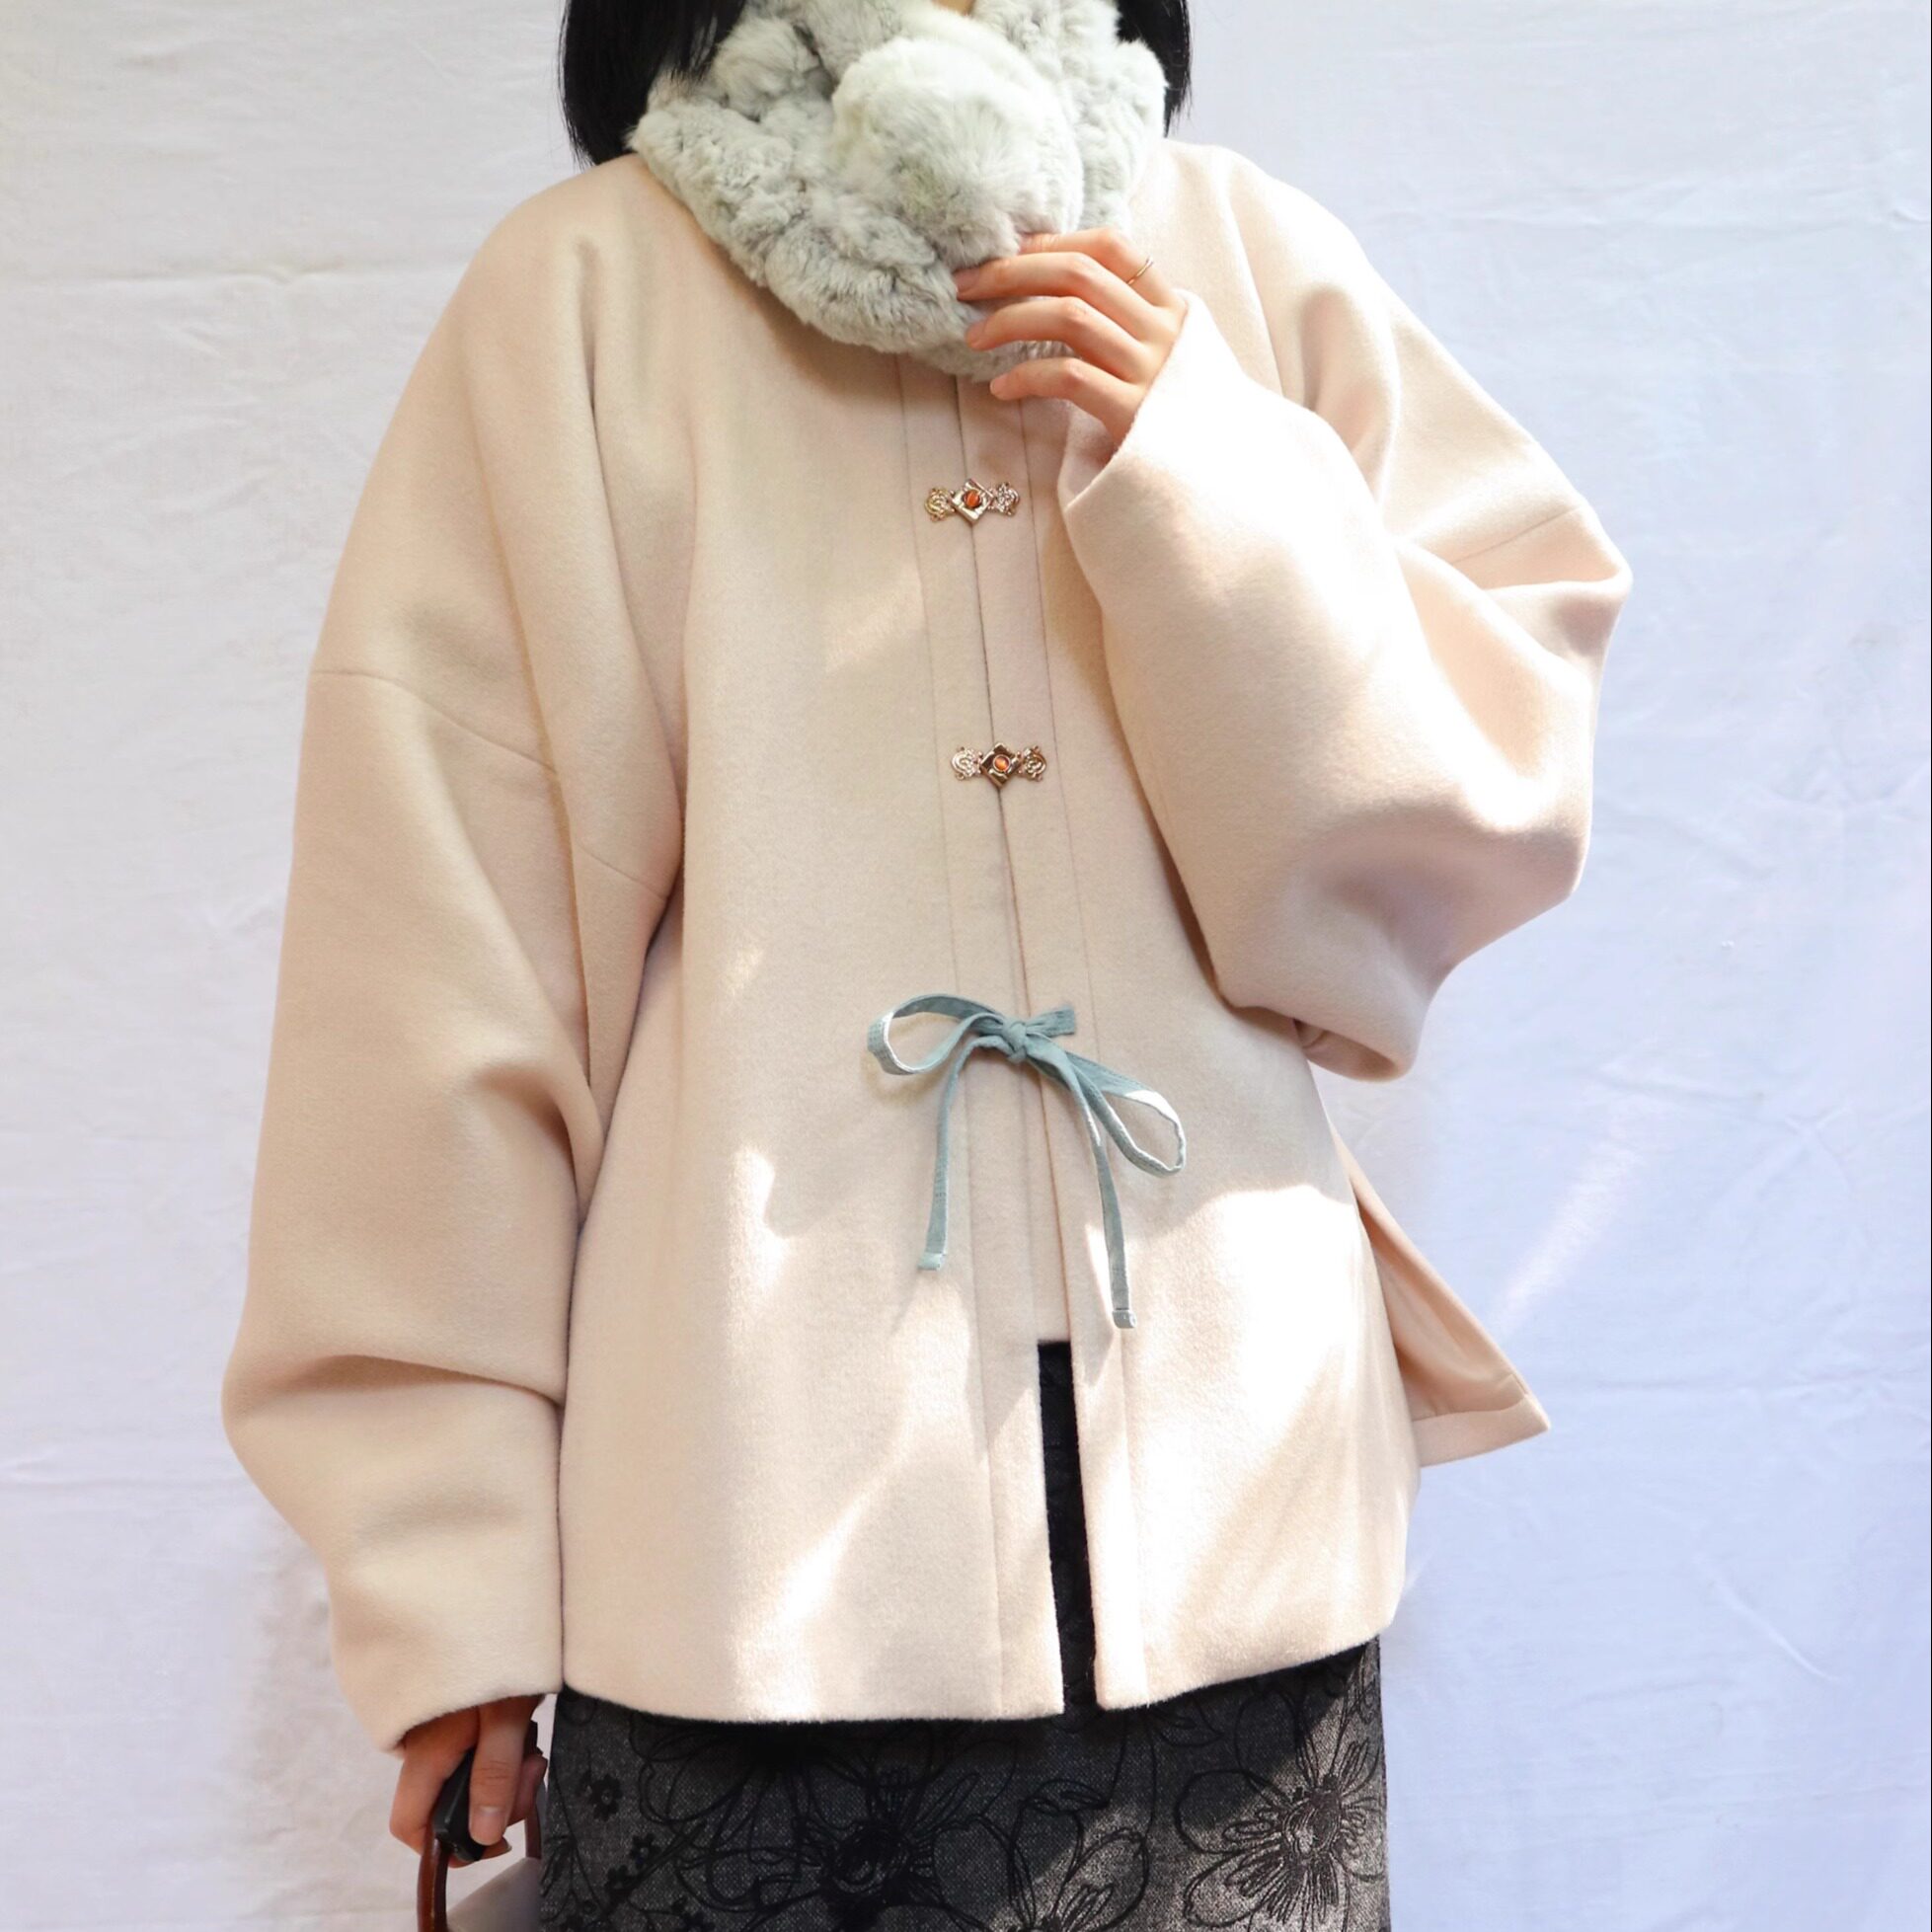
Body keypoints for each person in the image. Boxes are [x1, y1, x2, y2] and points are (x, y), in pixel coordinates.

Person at [221, 0, 1632, 1923]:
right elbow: (438, 959)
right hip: (741, 1578)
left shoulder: (1238, 258)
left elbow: (1466, 810)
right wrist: (439, 1572)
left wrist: (1199, 465)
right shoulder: (581, 299)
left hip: (1246, 1568)